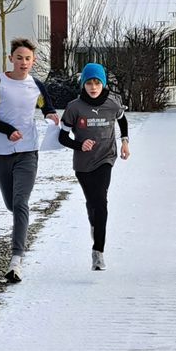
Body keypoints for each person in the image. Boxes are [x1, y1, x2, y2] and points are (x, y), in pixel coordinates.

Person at [0, 37, 59, 282]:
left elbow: (47, 107)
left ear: (33, 62)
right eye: (20, 58)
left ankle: (16, 261)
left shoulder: (36, 85)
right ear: (11, 59)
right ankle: (19, 230)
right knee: (12, 205)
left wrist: (52, 115)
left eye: (28, 59)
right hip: (1, 152)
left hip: (27, 151)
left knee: (21, 203)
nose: (24, 62)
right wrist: (6, 129)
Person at [59, 63, 130, 271]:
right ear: (83, 84)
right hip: (82, 163)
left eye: (97, 82)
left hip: (106, 157)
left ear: (103, 84)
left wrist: (125, 141)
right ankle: (94, 223)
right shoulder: (74, 107)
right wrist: (79, 144)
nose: (93, 86)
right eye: (89, 82)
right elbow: (62, 137)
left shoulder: (112, 103)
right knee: (93, 203)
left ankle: (98, 252)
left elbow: (122, 120)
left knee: (101, 200)